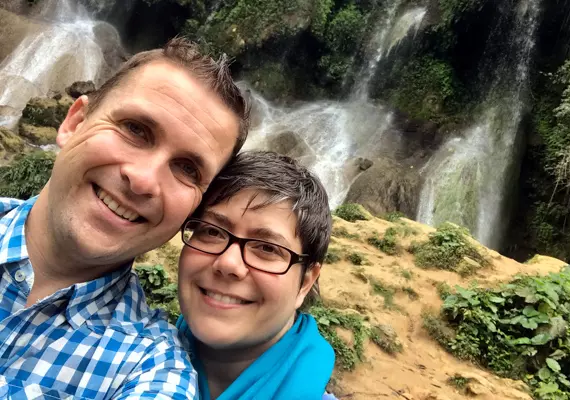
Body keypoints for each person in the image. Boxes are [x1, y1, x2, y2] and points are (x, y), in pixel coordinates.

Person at [0, 37, 248, 399]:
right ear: (75, 122)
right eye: (136, 129)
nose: (144, 180)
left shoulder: (154, 370)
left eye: (186, 169)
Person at [177, 151, 335, 400]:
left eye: (267, 248)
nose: (228, 263)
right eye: (212, 232)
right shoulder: (129, 358)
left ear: (306, 282)